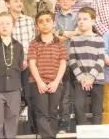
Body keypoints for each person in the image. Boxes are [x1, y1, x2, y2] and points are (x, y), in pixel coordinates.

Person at [28, 10, 67, 139]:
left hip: (55, 83)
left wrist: (56, 82)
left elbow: (63, 64)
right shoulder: (34, 43)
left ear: (54, 23)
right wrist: (39, 82)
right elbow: (32, 64)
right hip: (38, 83)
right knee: (42, 113)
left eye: (48, 21)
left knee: (53, 112)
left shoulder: (60, 43)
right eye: (41, 22)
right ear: (36, 26)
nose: (44, 24)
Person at [5, 0, 36, 132]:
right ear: (7, 4)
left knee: (31, 97)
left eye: (20, 1)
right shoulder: (4, 21)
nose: (19, 3)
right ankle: (12, 131)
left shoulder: (29, 21)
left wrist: (27, 60)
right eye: (15, 1)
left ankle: (33, 130)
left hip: (28, 64)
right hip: (10, 65)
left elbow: (32, 43)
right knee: (12, 99)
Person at [69, 7, 105, 125]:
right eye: (79, 19)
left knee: (97, 109)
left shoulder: (99, 39)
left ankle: (97, 132)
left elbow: (100, 60)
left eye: (85, 19)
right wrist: (82, 78)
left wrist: (91, 77)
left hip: (97, 79)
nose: (82, 21)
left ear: (93, 21)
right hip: (81, 80)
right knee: (78, 105)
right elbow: (72, 60)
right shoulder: (74, 39)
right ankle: (84, 130)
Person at [55, 0, 79, 133]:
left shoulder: (77, 16)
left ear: (73, 0)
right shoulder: (54, 17)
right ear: (58, 1)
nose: (65, 1)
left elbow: (81, 31)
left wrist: (63, 34)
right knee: (64, 95)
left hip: (76, 59)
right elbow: (54, 36)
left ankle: (79, 125)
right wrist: (71, 34)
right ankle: (64, 125)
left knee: (78, 96)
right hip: (60, 61)